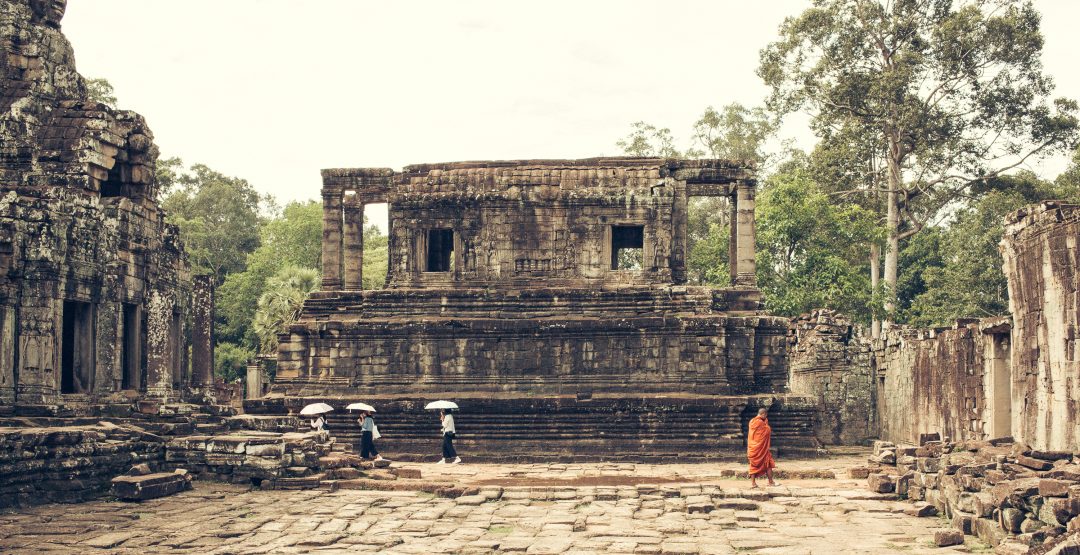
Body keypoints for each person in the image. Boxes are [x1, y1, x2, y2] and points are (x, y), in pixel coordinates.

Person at [747, 407, 778, 488]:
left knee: (754, 465)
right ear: (763, 414)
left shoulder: (752, 421)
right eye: (766, 415)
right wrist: (767, 427)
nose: (766, 417)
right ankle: (770, 482)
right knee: (768, 464)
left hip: (753, 448)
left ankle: (754, 483)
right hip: (761, 448)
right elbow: (767, 431)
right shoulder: (760, 423)